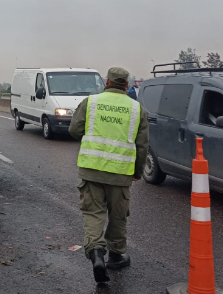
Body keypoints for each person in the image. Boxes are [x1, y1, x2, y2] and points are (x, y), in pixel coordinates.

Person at [68, 67, 149, 284]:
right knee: (118, 215)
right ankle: (116, 254)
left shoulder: (91, 102)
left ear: (106, 82)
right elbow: (142, 146)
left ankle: (96, 253)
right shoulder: (136, 109)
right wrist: (137, 173)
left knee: (93, 213)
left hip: (91, 170)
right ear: (126, 85)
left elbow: (74, 130)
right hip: (121, 173)